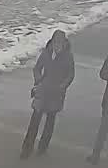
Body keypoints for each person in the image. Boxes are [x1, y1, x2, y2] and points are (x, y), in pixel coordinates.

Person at [22, 30, 76, 158]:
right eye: (55, 43)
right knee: (34, 121)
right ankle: (26, 149)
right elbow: (37, 68)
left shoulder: (68, 56)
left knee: (50, 121)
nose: (57, 46)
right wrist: (38, 80)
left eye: (59, 44)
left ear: (64, 44)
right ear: (52, 42)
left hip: (56, 93)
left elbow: (70, 75)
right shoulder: (46, 53)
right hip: (42, 90)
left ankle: (43, 147)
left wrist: (62, 87)